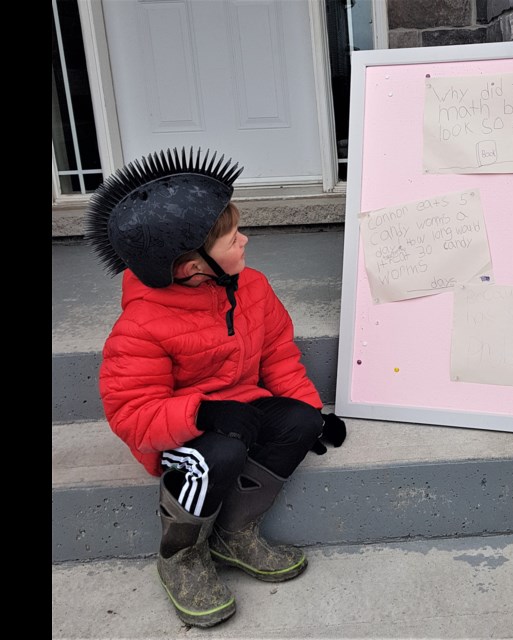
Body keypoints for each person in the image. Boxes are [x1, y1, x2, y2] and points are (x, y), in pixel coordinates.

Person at [85, 147, 346, 628]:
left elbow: (279, 357)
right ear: (191, 267)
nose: (245, 240)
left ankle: (235, 533)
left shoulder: (253, 287)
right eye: (231, 237)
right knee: (217, 455)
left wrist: (313, 412)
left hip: (241, 413)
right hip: (180, 435)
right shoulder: (140, 327)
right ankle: (181, 557)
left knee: (300, 421)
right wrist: (201, 415)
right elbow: (131, 417)